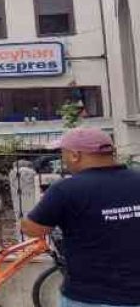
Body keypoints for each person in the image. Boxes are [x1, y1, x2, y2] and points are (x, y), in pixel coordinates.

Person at [21, 128, 140, 307]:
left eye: (63, 154)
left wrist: (46, 206)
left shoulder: (66, 190)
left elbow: (33, 229)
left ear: (75, 155)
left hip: (91, 297)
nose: (63, 159)